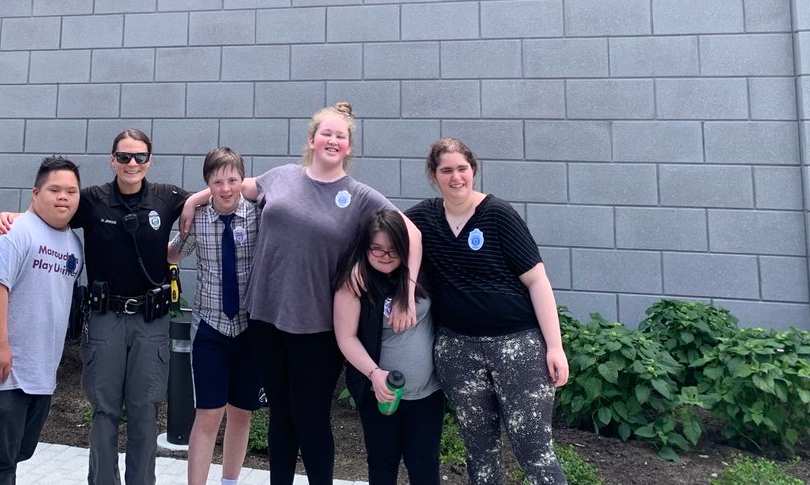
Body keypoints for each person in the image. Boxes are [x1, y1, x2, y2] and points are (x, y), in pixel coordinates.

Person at [181, 102, 422, 485]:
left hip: (318, 329)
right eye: (325, 133)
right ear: (312, 140)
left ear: (347, 148)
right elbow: (228, 188)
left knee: (310, 419)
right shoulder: (282, 176)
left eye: (340, 136)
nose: (332, 140)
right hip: (265, 320)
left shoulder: (358, 195)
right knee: (280, 416)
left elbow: (412, 233)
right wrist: (194, 201)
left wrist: (405, 288)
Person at [0, 129, 189, 485]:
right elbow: (52, 208)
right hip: (105, 319)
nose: (132, 163)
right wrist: (13, 215)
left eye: (140, 157)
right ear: (112, 160)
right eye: (125, 156)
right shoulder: (93, 200)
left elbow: (211, 197)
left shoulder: (167, 196)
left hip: (151, 321)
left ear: (150, 160)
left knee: (145, 412)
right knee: (105, 412)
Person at [406, 137, 569, 485]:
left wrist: (554, 347)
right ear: (434, 176)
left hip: (517, 348)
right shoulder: (424, 217)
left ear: (473, 171)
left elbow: (538, 281)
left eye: (462, 168)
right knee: (479, 451)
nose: (456, 177)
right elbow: (380, 227)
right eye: (446, 170)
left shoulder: (497, 215)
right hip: (457, 351)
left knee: (534, 450)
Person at [0, 155, 84, 485]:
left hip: (39, 372)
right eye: (54, 189)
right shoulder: (14, 232)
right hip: (1, 370)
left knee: (16, 454)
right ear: (35, 193)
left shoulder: (73, 243)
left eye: (71, 192)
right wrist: (0, 345)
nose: (63, 197)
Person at [167, 147, 262, 485]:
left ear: (242, 180)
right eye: (217, 181)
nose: (225, 188)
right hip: (210, 326)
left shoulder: (258, 215)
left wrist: (196, 197)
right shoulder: (198, 219)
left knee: (241, 413)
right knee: (208, 414)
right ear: (207, 183)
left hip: (249, 328)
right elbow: (174, 255)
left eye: (232, 180)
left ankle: (230, 481)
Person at [332, 209, 443, 485]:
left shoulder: (417, 273)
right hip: (380, 395)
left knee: (425, 466)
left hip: (427, 395)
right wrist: (374, 374)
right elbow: (346, 337)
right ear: (365, 248)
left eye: (393, 249)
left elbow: (414, 233)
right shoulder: (355, 281)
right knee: (382, 465)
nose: (385, 255)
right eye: (377, 249)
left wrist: (408, 285)